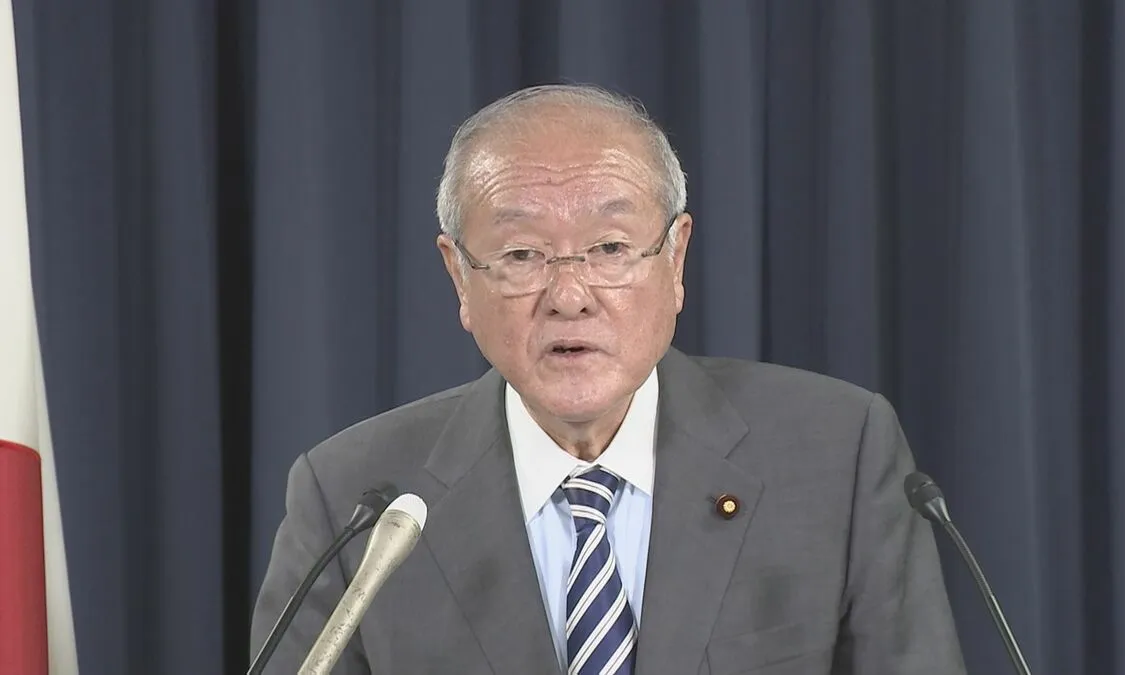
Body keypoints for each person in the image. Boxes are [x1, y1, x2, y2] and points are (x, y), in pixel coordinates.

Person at [250, 83, 966, 675]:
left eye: (611, 247)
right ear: (459, 276)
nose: (569, 296)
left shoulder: (838, 454)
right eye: (522, 255)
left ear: (675, 258)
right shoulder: (354, 499)